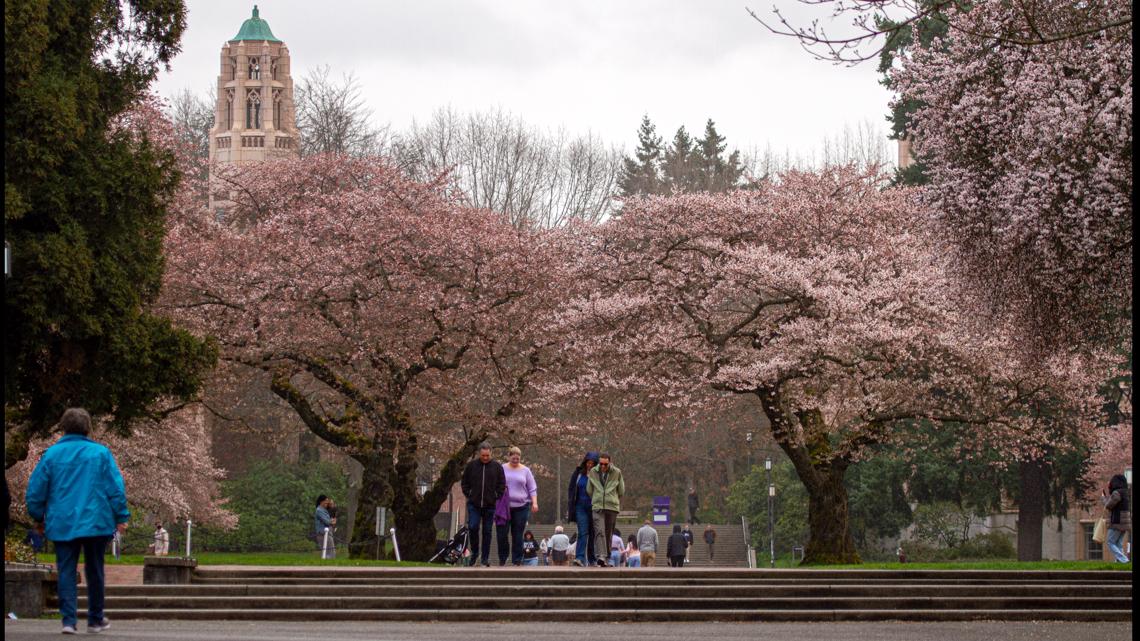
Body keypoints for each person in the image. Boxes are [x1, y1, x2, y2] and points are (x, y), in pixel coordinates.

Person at [25, 408, 129, 635]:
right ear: (88, 428)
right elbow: (115, 488)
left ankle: (69, 620)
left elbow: (36, 490)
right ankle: (95, 618)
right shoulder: (100, 453)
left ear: (63, 427)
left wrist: (38, 517)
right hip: (96, 520)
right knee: (95, 570)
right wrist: (121, 515)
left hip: (62, 521)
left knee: (65, 570)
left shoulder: (51, 455)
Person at [461, 442, 506, 567]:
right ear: (479, 454)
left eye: (487, 455)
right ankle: (475, 553)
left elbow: (502, 484)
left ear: (491, 453)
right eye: (483, 455)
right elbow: (464, 482)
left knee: (487, 531)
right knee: (473, 527)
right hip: (474, 504)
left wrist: (496, 495)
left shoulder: (497, 467)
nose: (485, 458)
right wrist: (469, 494)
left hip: (490, 505)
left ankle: (485, 557)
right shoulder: (471, 466)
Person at [586, 452, 625, 567]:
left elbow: (621, 490)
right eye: (601, 463)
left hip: (611, 507)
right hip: (598, 506)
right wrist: (597, 498)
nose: (603, 466)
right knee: (599, 531)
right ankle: (601, 556)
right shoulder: (593, 472)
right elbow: (589, 490)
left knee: (608, 533)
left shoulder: (617, 472)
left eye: (605, 464)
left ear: (610, 463)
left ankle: (607, 557)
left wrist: (612, 498)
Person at [502, 446, 539, 565]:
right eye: (513, 458)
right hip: (505, 507)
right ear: (509, 457)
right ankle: (503, 558)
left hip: (521, 507)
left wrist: (534, 503)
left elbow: (532, 488)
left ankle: (517, 560)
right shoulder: (502, 468)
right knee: (502, 533)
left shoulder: (525, 470)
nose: (515, 461)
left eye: (517, 459)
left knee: (517, 534)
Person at [566, 451, 599, 567]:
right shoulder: (579, 473)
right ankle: (580, 558)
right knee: (582, 532)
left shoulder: (598, 475)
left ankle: (592, 559)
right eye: (588, 463)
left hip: (594, 507)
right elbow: (571, 489)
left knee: (593, 533)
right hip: (580, 507)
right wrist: (571, 506)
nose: (589, 465)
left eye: (592, 463)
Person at [1102, 473, 1131, 563]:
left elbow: (1109, 506)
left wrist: (1103, 498)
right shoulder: (1126, 492)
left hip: (1117, 521)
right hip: (1125, 522)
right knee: (1118, 543)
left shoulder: (1117, 493)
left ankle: (1124, 560)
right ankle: (1119, 562)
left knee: (1110, 542)